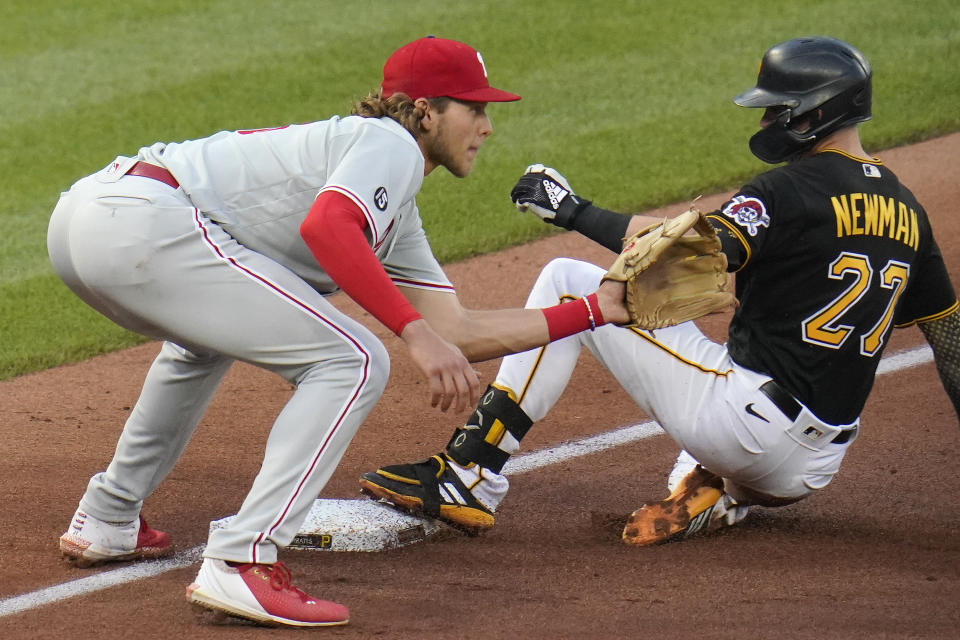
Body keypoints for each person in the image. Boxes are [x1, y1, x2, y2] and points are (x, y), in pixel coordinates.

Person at [48, 36, 631, 628]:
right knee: (352, 360)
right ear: (425, 110)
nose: (486, 126)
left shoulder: (391, 199)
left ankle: (109, 515)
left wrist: (595, 310)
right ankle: (243, 559)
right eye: (473, 108)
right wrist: (411, 334)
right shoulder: (390, 143)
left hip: (94, 220)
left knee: (201, 346)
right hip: (144, 221)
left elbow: (457, 331)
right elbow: (329, 227)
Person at [360, 36, 960, 547]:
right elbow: (949, 342)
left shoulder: (791, 189)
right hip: (817, 465)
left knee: (569, 283)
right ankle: (713, 490)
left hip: (749, 431)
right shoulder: (909, 209)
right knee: (735, 368)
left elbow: (686, 253)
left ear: (813, 113)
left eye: (776, 110)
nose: (764, 122)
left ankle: (468, 477)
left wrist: (574, 211)